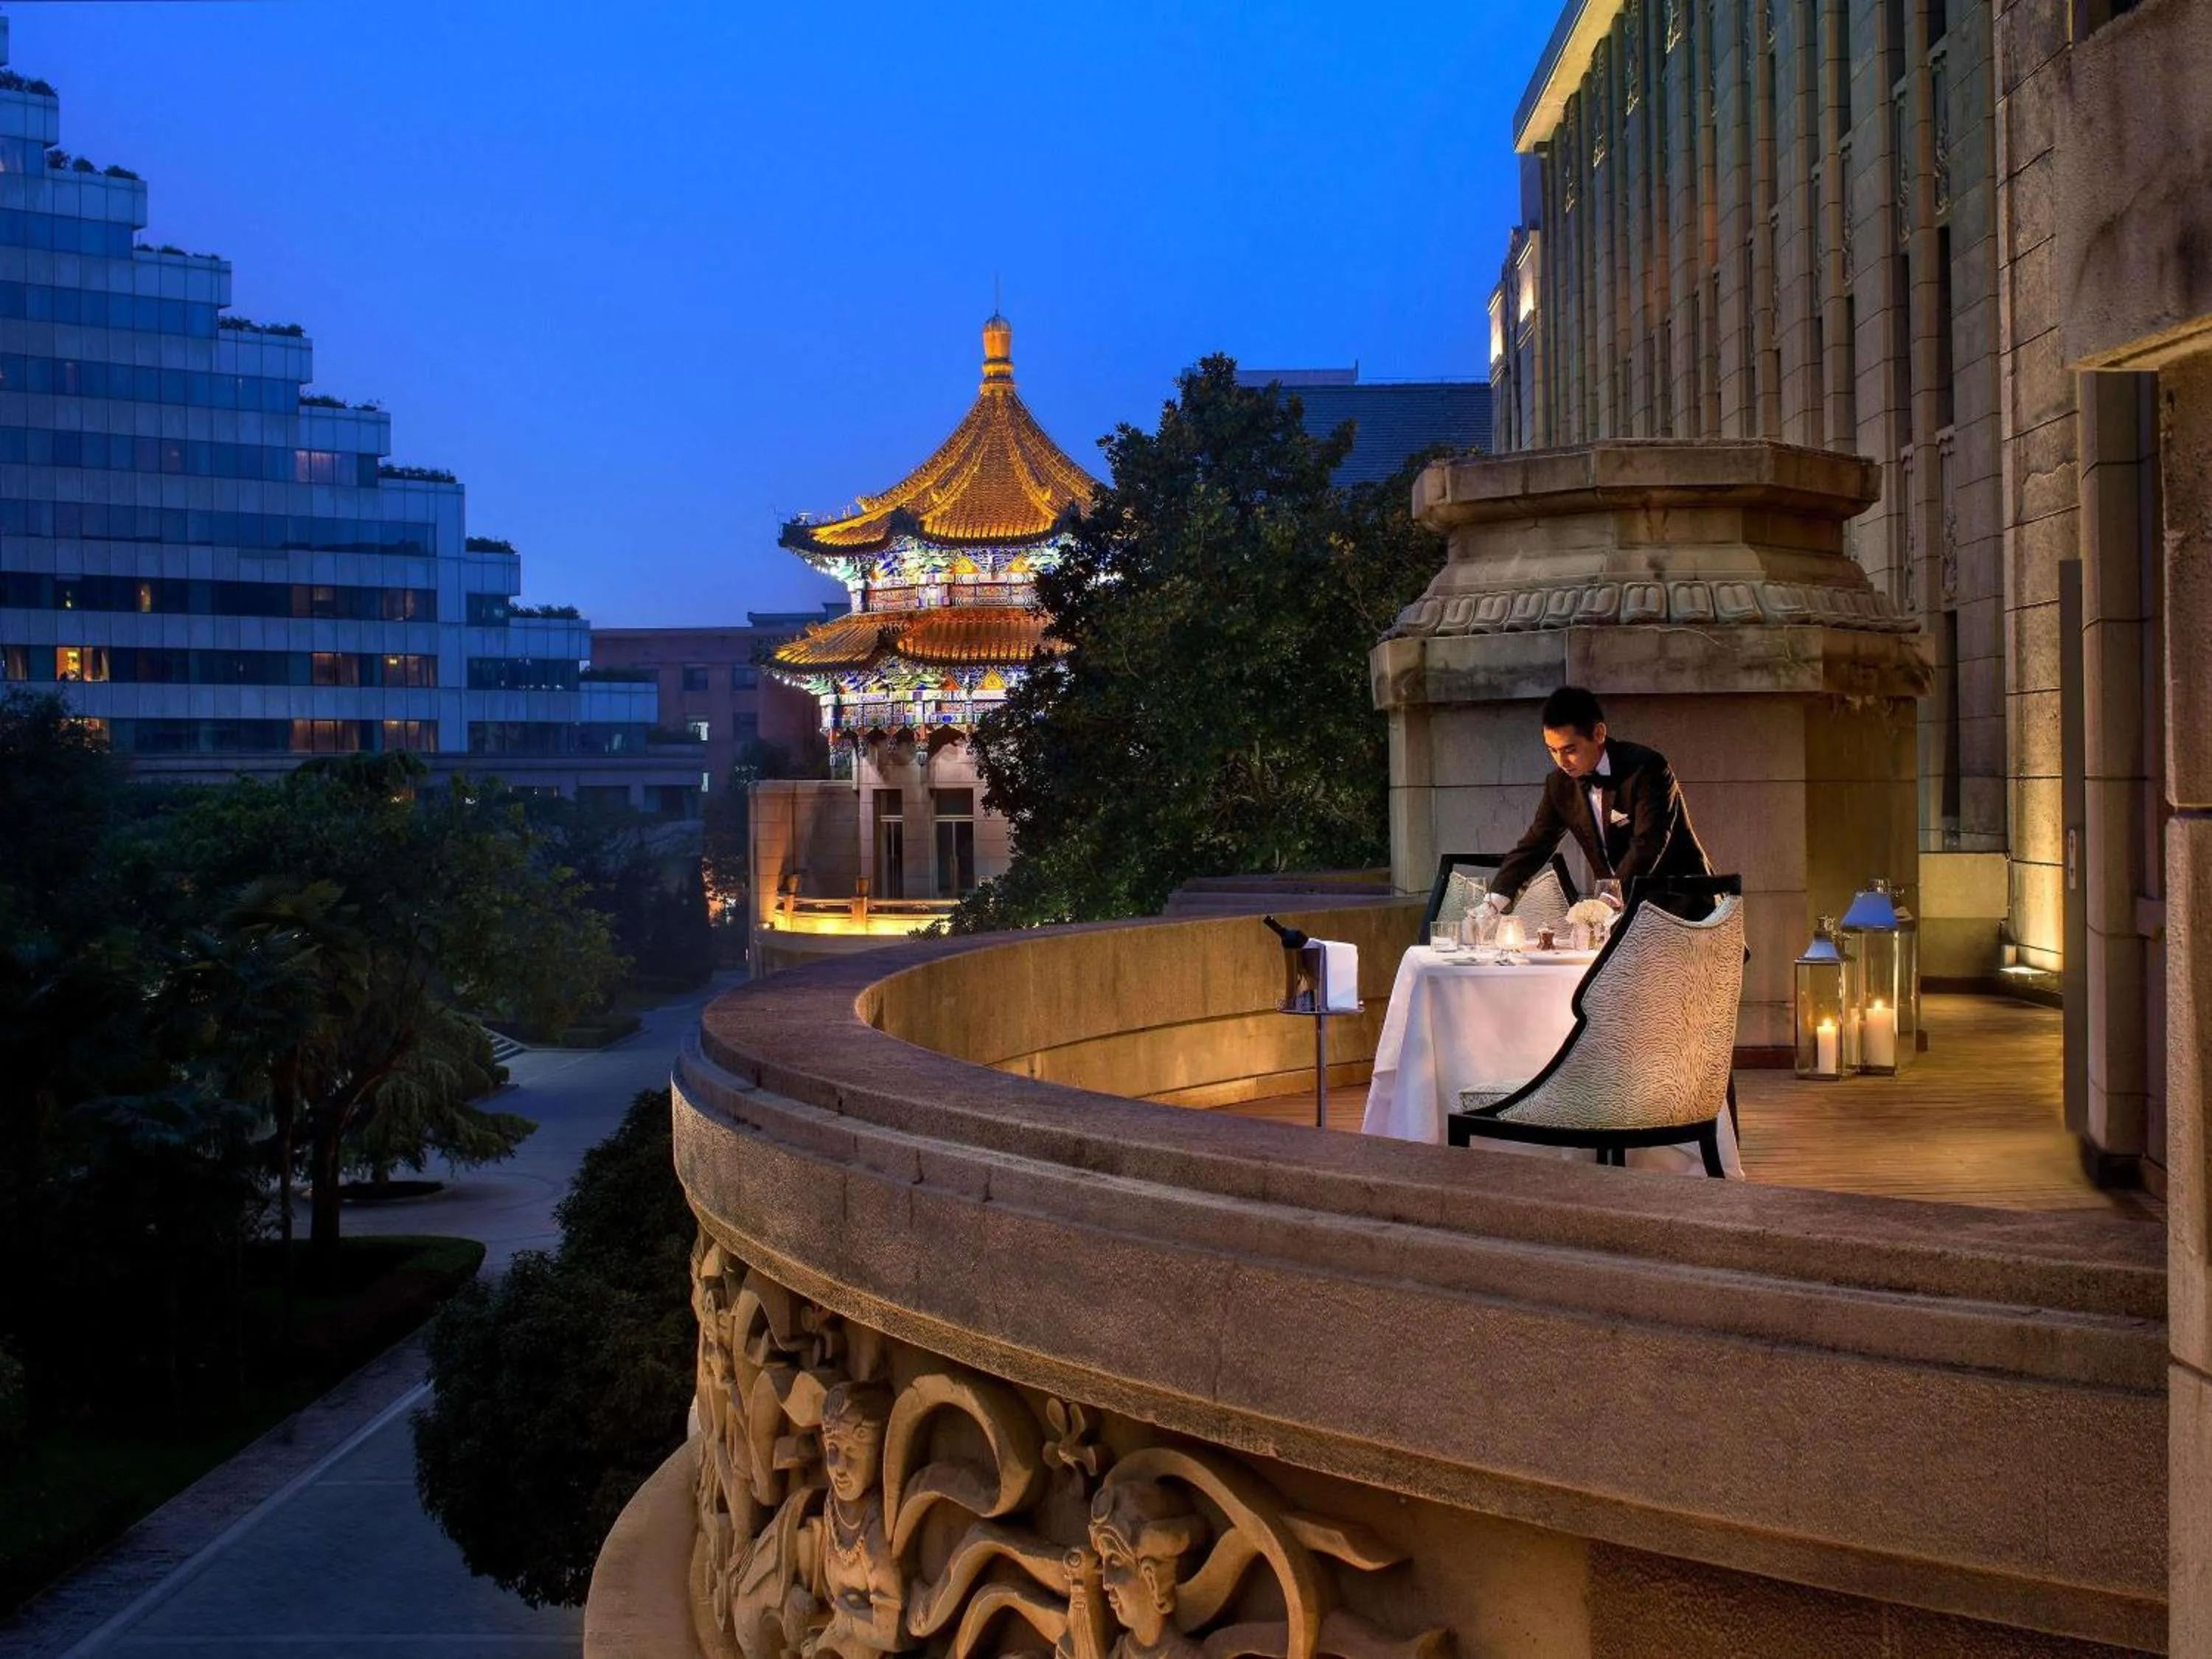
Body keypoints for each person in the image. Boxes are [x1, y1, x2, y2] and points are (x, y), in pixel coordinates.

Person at [1487, 685, 1711, 914]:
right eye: (1552, 750)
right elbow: (1535, 845)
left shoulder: (1647, 768)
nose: (1561, 761)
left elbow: (1647, 844)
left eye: (1569, 749)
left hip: (1683, 908)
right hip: (1621, 915)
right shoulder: (1560, 784)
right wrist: (1493, 902)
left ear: (1599, 734)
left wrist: (1606, 903)